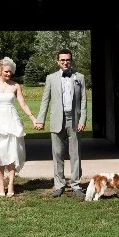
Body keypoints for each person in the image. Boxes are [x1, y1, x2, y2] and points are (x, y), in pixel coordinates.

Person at [0, 57, 37, 197]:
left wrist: (33, 118)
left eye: (10, 72)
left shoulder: (15, 86)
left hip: (12, 121)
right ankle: (0, 185)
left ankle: (10, 184)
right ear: (0, 70)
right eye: (6, 71)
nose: (8, 74)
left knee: (12, 153)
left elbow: (22, 104)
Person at [34, 48, 86, 198]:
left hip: (74, 120)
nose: (65, 62)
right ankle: (59, 185)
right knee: (57, 154)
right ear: (58, 61)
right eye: (62, 60)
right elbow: (45, 100)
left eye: (68, 59)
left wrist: (82, 120)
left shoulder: (79, 77)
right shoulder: (51, 78)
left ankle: (76, 185)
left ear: (71, 61)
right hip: (57, 119)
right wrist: (40, 119)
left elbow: (83, 101)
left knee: (75, 154)